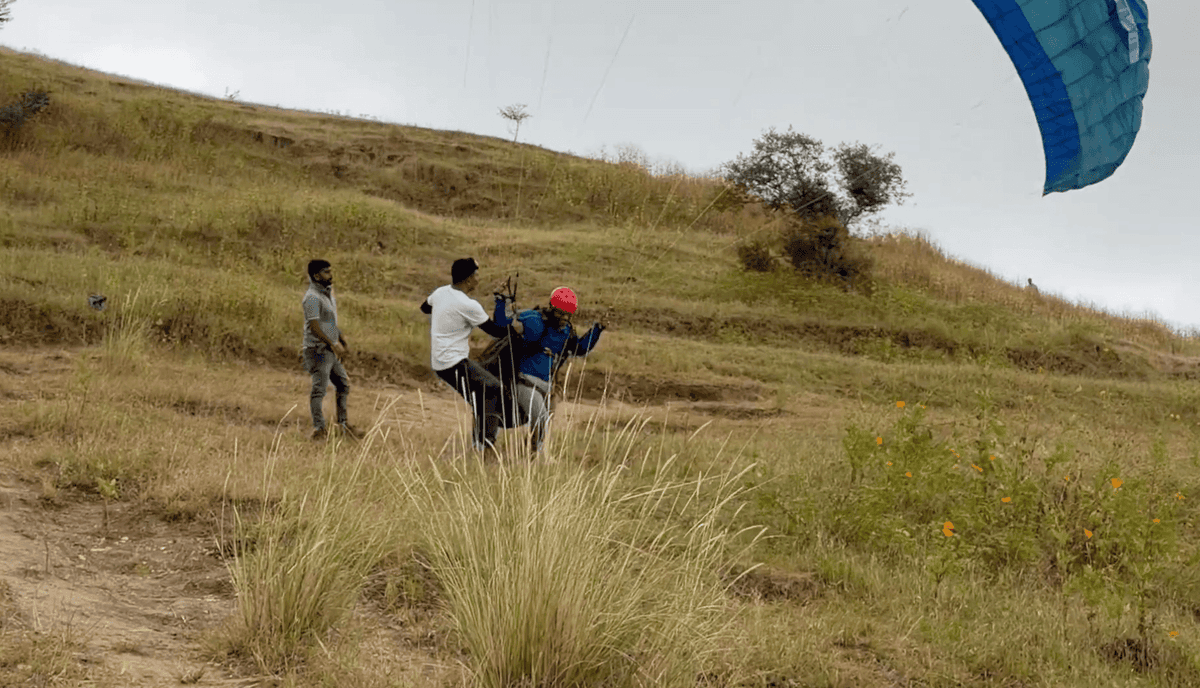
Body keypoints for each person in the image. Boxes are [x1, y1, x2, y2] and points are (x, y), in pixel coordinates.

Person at [493, 286, 604, 454]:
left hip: (547, 387)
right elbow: (502, 326)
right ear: (551, 308)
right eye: (561, 313)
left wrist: (597, 329)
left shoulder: (566, 331)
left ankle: (529, 456)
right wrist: (501, 302)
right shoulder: (532, 319)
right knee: (541, 419)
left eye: (568, 315)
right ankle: (533, 456)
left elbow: (579, 349)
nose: (564, 318)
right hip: (524, 381)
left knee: (544, 421)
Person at [421, 258, 513, 459]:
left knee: (482, 395)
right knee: (492, 388)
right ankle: (487, 448)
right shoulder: (468, 305)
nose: (478, 280)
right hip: (453, 362)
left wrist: (445, 317)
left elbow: (425, 308)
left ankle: (479, 445)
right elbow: (496, 332)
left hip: (439, 361)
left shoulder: (440, 293)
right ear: (469, 278)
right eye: (476, 275)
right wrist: (515, 325)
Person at [301, 259, 361, 441]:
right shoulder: (312, 297)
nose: (330, 275)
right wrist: (333, 344)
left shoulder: (328, 295)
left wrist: (342, 341)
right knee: (319, 389)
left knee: (343, 384)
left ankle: (343, 426)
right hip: (318, 349)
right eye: (326, 272)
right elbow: (314, 326)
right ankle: (319, 429)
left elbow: (330, 323)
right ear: (316, 275)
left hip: (329, 349)